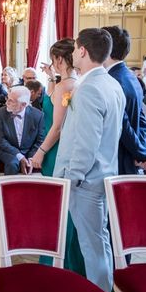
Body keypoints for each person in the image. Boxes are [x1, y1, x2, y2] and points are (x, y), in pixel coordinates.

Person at [54, 28, 125, 292]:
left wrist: (72, 179)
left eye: (74, 49)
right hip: (104, 174)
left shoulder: (90, 89)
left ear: (82, 50)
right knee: (100, 240)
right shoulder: (111, 84)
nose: (73, 53)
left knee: (91, 245)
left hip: (86, 182)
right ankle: (105, 289)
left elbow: (86, 143)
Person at [28, 39, 84, 275]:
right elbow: (52, 100)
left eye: (53, 59)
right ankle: (58, 258)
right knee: (58, 206)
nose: (52, 63)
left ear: (59, 59)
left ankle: (63, 263)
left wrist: (40, 152)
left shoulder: (67, 87)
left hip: (55, 150)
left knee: (61, 207)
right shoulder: (67, 83)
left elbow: (58, 127)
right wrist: (51, 76)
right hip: (55, 149)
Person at [103, 26, 146, 175]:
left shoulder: (113, 80)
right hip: (129, 156)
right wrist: (141, 151)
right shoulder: (131, 76)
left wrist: (143, 155)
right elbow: (141, 120)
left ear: (106, 47)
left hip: (116, 158)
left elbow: (123, 125)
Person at [0, 86, 45, 175]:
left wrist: (30, 158)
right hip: (7, 150)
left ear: (24, 104)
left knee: (31, 165)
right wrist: (20, 156)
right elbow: (1, 140)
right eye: (7, 98)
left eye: (11, 101)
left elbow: (40, 140)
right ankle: (9, 188)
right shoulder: (1, 113)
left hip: (28, 150)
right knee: (12, 163)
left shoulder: (38, 115)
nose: (7, 103)